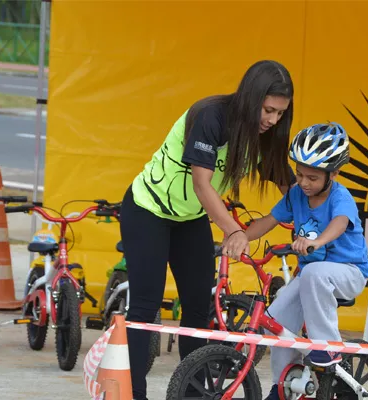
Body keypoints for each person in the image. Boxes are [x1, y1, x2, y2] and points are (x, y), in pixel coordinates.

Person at [119, 60, 296, 400]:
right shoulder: (210, 116)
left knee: (199, 307)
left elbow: (289, 183)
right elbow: (202, 184)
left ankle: (194, 392)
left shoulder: (264, 133)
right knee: (145, 306)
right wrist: (235, 232)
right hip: (148, 210)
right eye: (268, 110)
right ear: (251, 97)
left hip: (189, 219)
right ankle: (133, 394)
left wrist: (320, 214)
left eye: (280, 114)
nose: (272, 120)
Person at [243, 122, 368, 400]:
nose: (303, 182)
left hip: (349, 273)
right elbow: (269, 220)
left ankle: (328, 346)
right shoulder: (296, 195)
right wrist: (239, 237)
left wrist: (318, 241)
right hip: (311, 277)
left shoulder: (341, 197)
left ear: (334, 173)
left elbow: (340, 222)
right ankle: (282, 387)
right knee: (276, 322)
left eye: (312, 178)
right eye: (300, 174)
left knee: (313, 273)